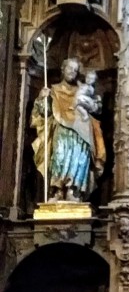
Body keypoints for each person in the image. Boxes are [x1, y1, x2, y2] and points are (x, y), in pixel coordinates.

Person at [31, 57, 106, 203]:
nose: (72, 71)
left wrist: (92, 104)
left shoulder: (82, 90)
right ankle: (57, 190)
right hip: (62, 129)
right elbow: (45, 113)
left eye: (75, 70)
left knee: (79, 159)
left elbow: (96, 108)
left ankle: (74, 190)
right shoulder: (53, 90)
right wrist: (42, 99)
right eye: (69, 68)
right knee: (59, 156)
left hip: (81, 131)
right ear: (62, 69)